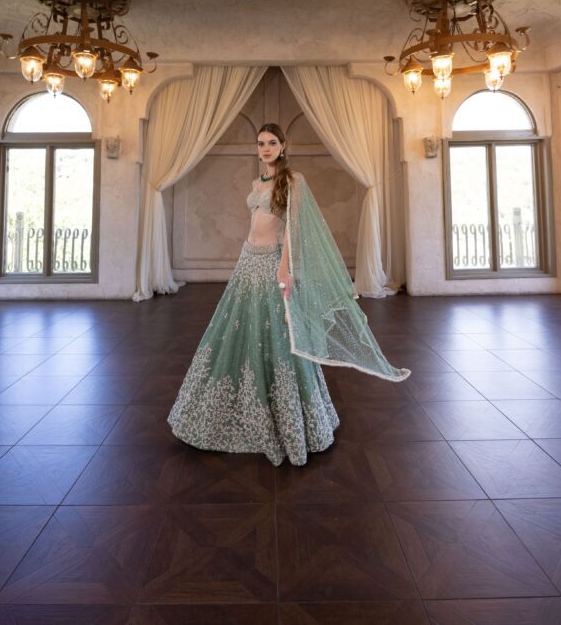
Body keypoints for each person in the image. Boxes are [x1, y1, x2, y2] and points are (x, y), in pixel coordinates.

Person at [168, 123, 410, 466]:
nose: (265, 148)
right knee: (241, 330)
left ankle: (291, 418)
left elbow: (293, 230)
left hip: (273, 263)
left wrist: (286, 268)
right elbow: (255, 223)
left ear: (283, 146)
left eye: (271, 143)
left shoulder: (293, 181)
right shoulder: (257, 183)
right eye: (260, 143)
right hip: (248, 260)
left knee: (282, 334)